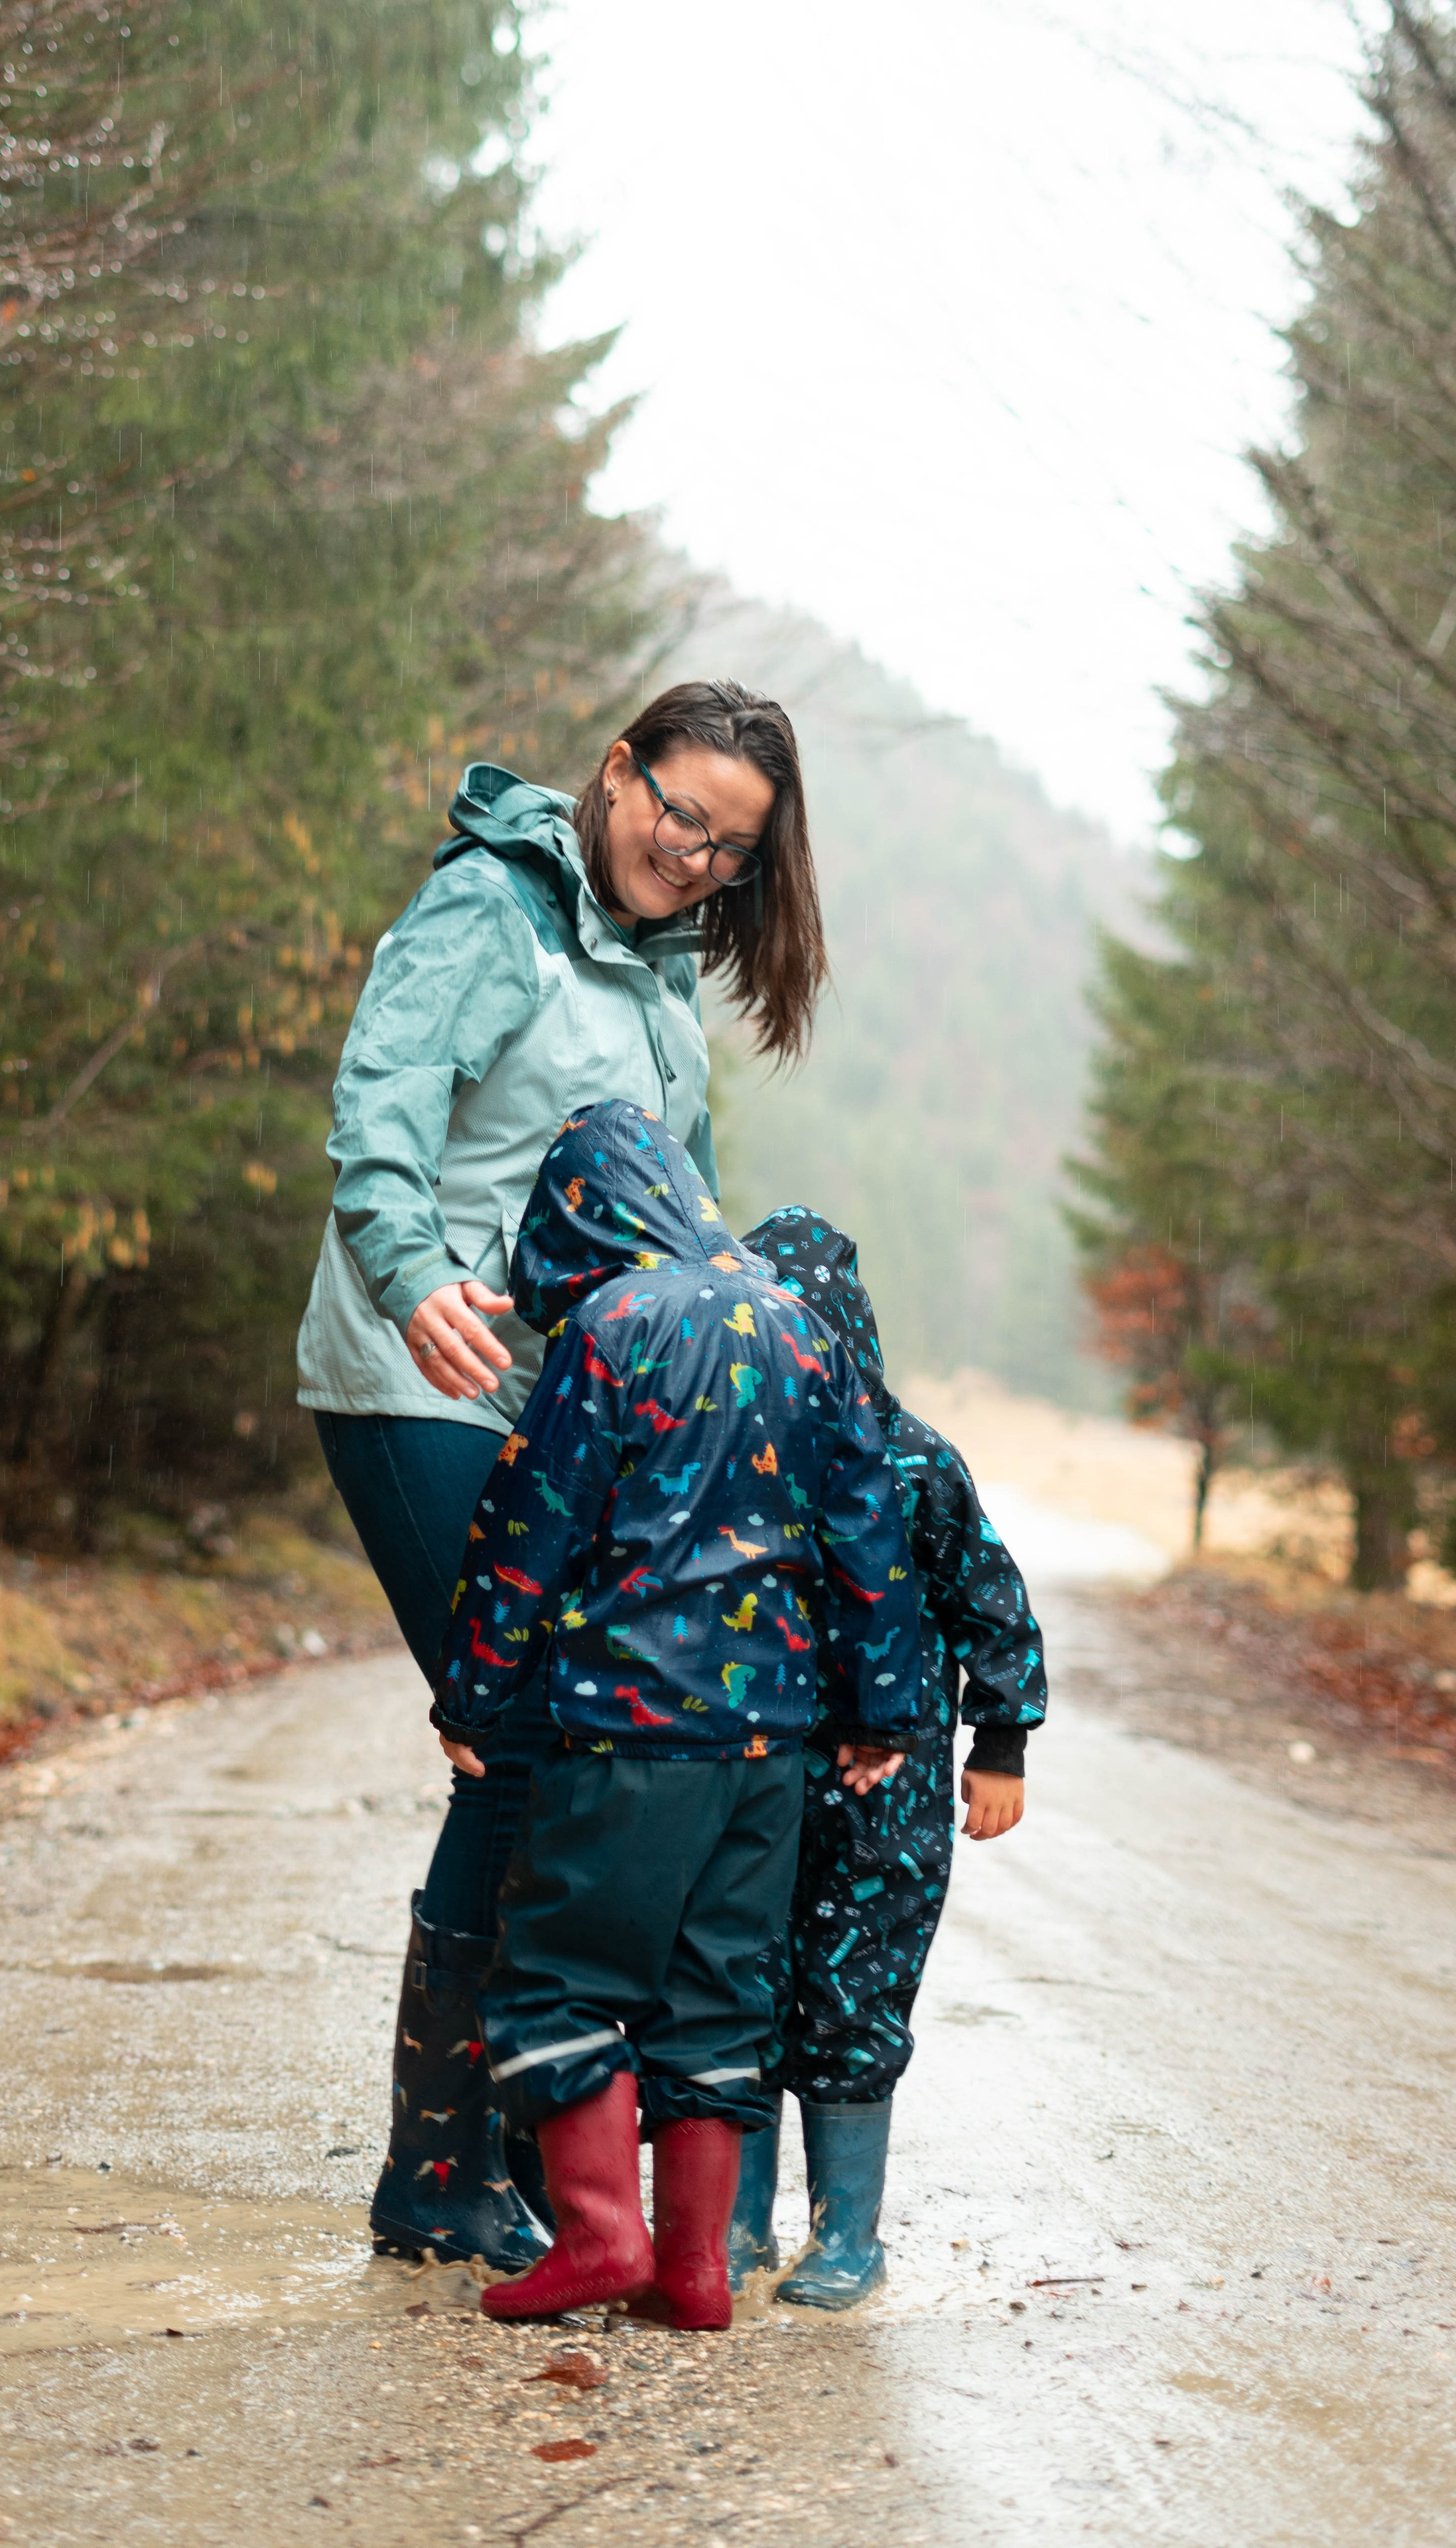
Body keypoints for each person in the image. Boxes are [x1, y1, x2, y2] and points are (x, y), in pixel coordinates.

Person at [295, 683, 827, 2270]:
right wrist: (407, 1275)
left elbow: (685, 1221)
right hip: (426, 1366)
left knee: (574, 1751)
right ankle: (438, 2172)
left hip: (573, 1413)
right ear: (617, 771)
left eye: (729, 848)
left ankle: (525, 2162)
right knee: (523, 1748)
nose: (693, 856)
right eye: (680, 813)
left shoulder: (661, 986)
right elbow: (379, 1104)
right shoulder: (492, 910)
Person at [429, 1101, 925, 2330]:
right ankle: (696, 2269)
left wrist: (474, 1689)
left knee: (556, 1978)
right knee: (716, 1996)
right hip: (768, 1752)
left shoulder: (613, 1323)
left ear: (581, 1214)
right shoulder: (803, 1329)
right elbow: (869, 1536)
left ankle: (601, 2233)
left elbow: (531, 1524)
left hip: (628, 1733)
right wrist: (885, 1710)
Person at [727, 1207, 1047, 2309]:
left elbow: (991, 1604)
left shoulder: (915, 1460)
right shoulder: (729, 1456)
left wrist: (999, 1742)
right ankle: (734, 2222)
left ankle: (846, 2234)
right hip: (754, 1777)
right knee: (741, 1983)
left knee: (853, 1997)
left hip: (887, 1801)